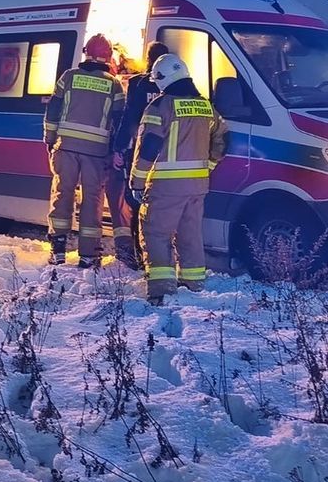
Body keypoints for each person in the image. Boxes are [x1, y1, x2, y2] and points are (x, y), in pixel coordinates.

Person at [130, 54, 226, 304]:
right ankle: (193, 284)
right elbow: (223, 141)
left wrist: (137, 182)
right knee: (190, 234)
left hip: (166, 186)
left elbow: (148, 147)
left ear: (162, 79)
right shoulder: (207, 107)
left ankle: (161, 291)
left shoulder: (160, 107)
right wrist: (208, 167)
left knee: (155, 233)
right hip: (198, 186)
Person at [43, 34, 126, 268]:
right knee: (92, 199)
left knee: (63, 193)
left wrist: (50, 139)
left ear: (86, 53)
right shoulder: (114, 84)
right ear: (108, 57)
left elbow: (53, 111)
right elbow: (119, 120)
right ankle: (88, 255)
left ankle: (58, 249)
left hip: (66, 147)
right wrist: (115, 150)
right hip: (96, 153)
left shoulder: (68, 77)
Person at [109, 41, 169, 268]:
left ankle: (137, 254)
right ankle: (159, 256)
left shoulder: (137, 84)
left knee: (135, 202)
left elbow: (128, 119)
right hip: (167, 155)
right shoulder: (173, 88)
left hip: (140, 153)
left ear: (149, 60)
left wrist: (118, 148)